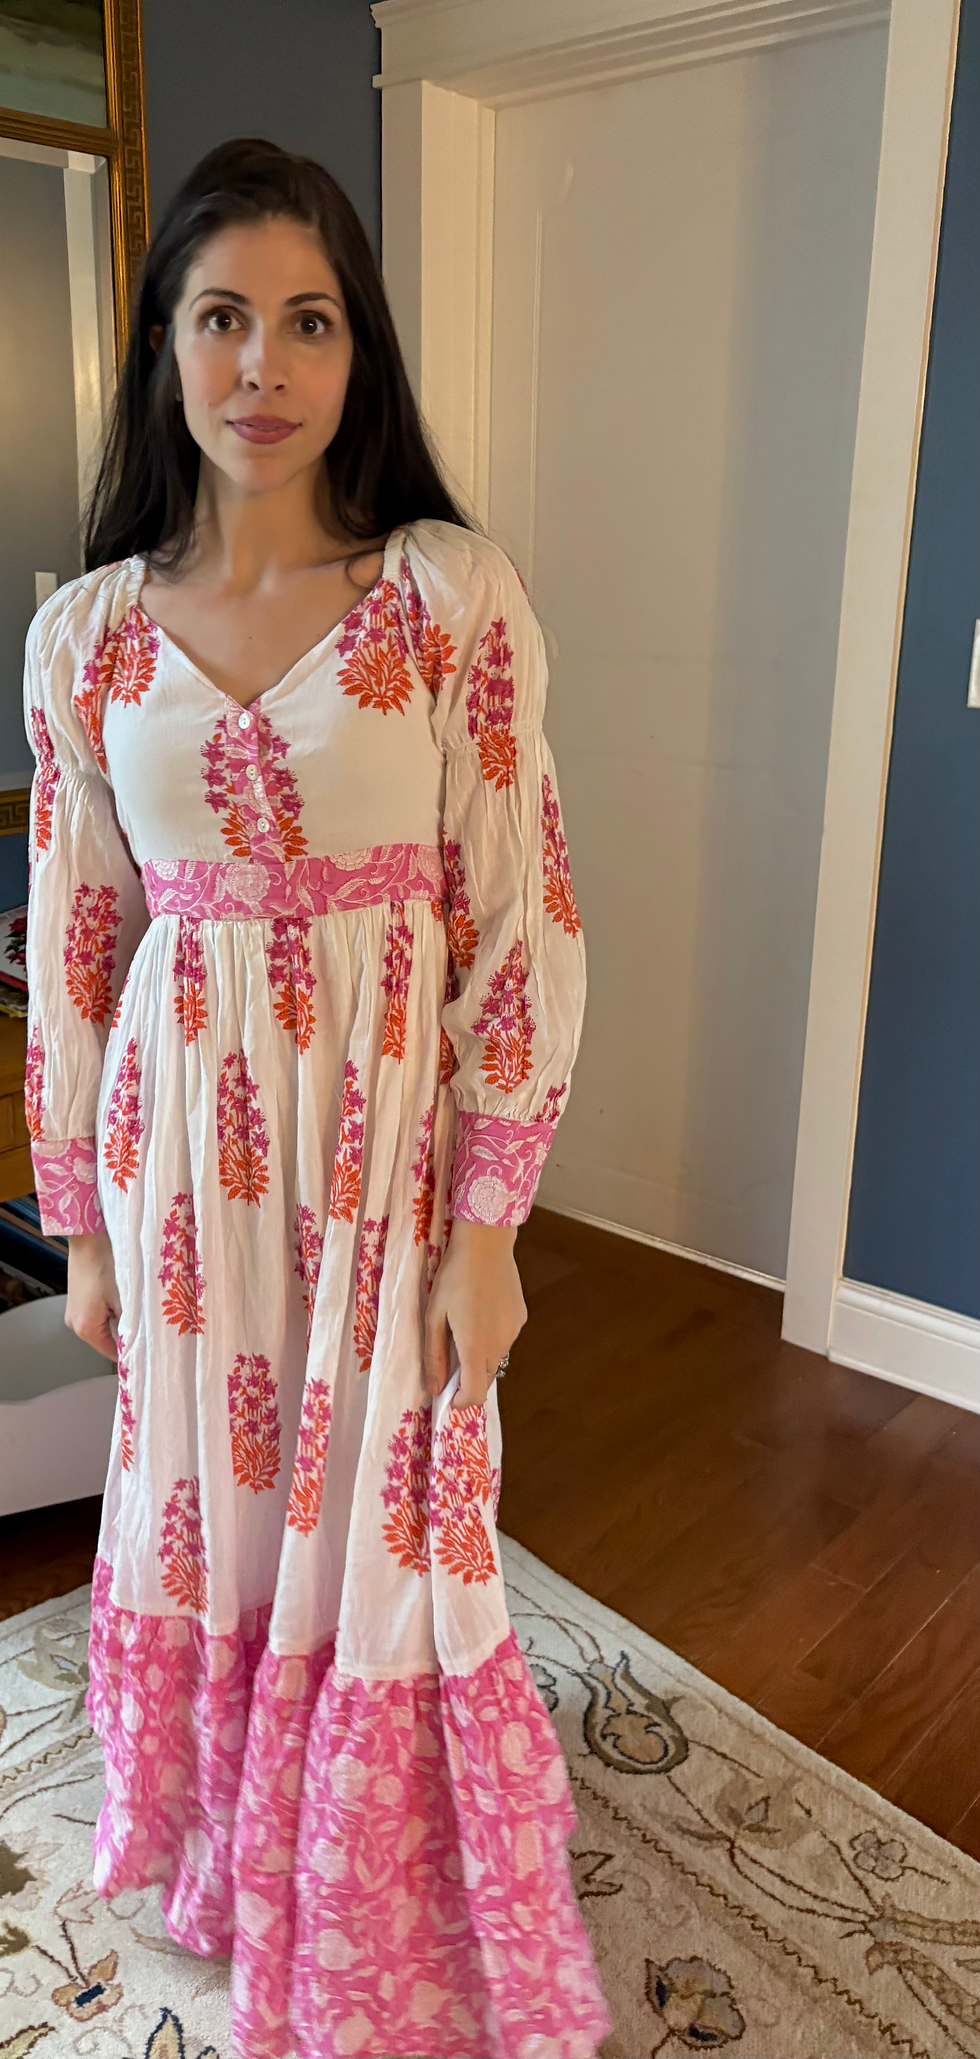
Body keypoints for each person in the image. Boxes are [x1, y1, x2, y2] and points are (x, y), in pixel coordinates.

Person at [22, 136, 611, 2059]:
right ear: (162, 347)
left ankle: (373, 1888)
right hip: (186, 1176)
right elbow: (81, 944)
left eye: (309, 320)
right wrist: (82, 1228)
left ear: (361, 353)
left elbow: (520, 918)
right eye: (221, 318)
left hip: (386, 1169)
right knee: (219, 1509)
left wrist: (490, 1227)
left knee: (397, 1526)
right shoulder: (89, 636)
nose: (261, 364)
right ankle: (227, 1839)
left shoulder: (447, 596)